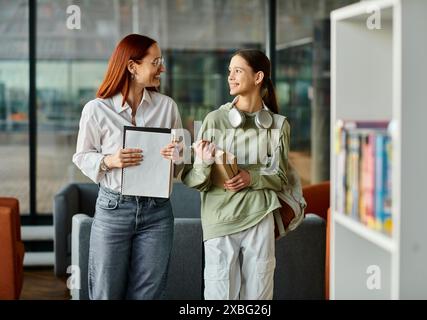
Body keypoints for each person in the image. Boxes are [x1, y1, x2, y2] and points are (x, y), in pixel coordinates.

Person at [72, 34, 183, 300]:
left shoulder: (167, 107)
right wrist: (110, 160)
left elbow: (181, 165)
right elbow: (81, 156)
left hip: (157, 213)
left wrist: (179, 156)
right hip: (113, 210)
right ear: (132, 67)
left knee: (148, 294)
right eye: (155, 62)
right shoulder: (96, 110)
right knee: (105, 292)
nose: (162, 68)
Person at [182, 49, 290, 300]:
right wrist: (204, 162)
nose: (230, 77)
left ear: (258, 76)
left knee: (259, 298)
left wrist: (250, 177)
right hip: (219, 220)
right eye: (229, 71)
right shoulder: (213, 120)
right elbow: (193, 179)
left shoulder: (279, 125)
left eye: (238, 71)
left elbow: (281, 176)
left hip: (260, 216)